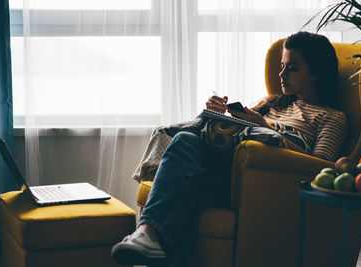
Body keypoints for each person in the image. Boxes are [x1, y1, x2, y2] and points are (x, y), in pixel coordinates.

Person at [111, 31, 347, 266]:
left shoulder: (332, 118)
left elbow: (318, 167)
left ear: (316, 73)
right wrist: (216, 116)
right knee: (185, 138)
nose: (281, 74)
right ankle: (148, 234)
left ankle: (148, 235)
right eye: (282, 66)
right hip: (220, 166)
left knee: (184, 181)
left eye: (292, 68)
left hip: (257, 183)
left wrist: (265, 128)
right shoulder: (271, 104)